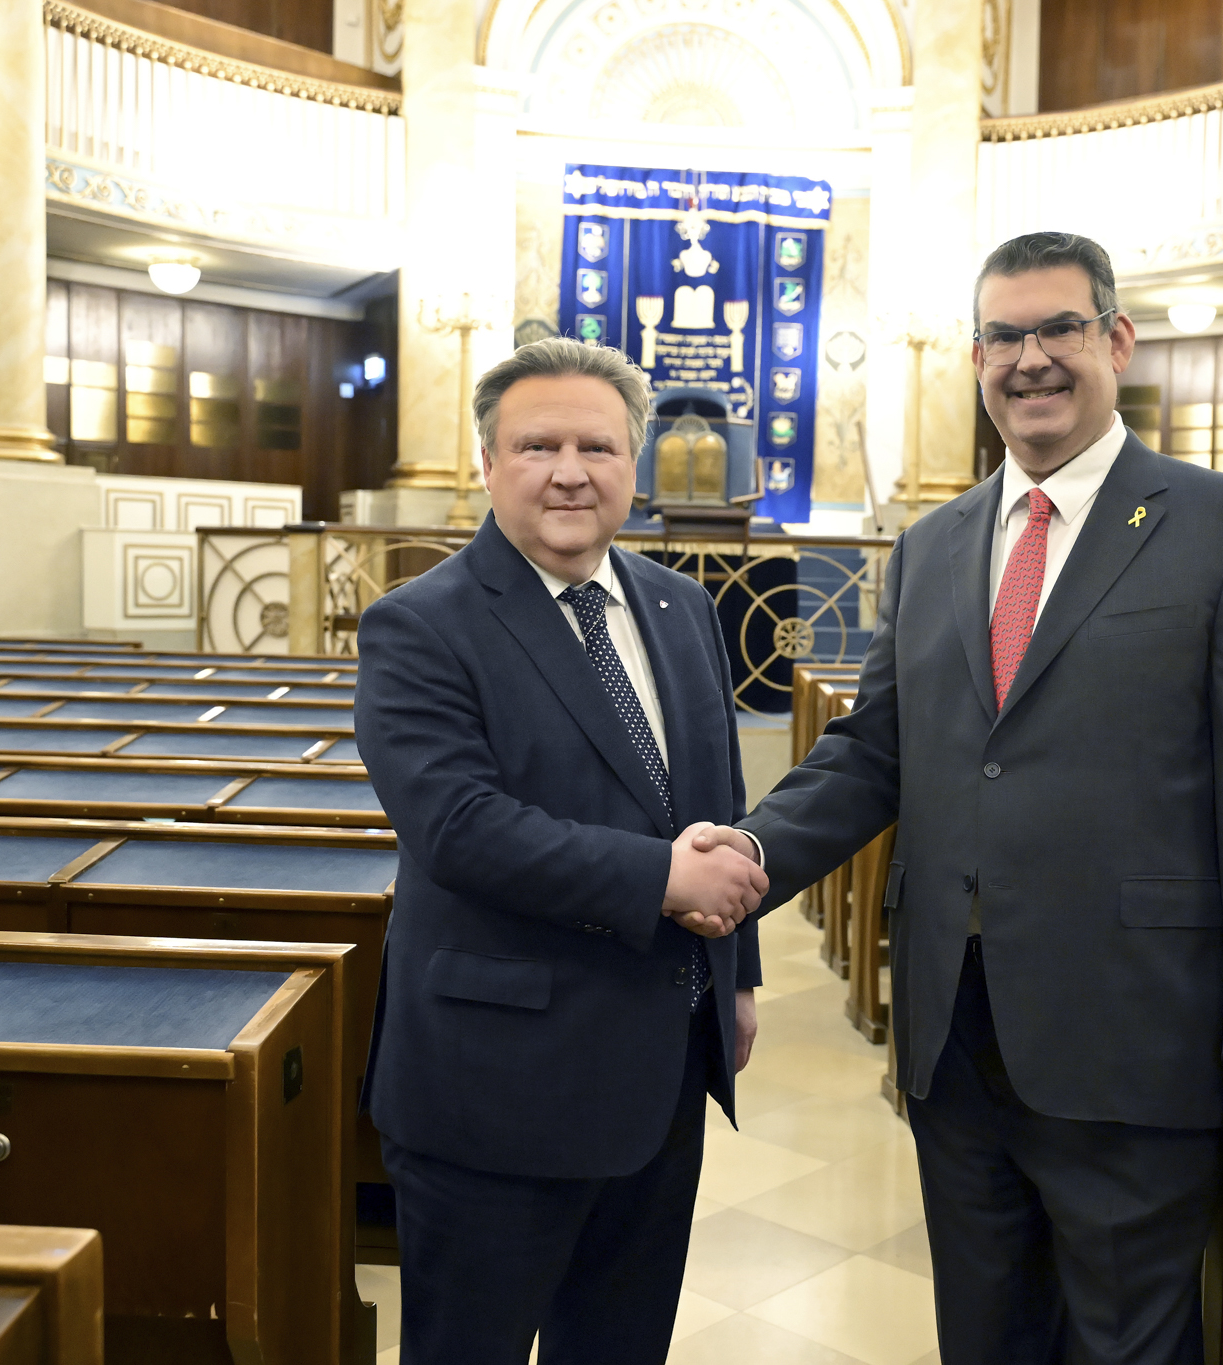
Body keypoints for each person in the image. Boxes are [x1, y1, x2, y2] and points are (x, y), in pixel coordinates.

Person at [695, 231, 1223, 1363]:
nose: (1028, 359)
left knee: (1127, 1343)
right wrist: (743, 858)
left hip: (1136, 1037)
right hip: (954, 1033)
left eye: (1057, 330)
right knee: (983, 1336)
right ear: (975, 357)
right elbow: (875, 753)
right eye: (1001, 336)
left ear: (1115, 342)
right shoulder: (937, 543)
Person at [353, 336, 770, 1365]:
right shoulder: (419, 624)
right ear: (487, 463)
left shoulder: (678, 607)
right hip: (497, 1083)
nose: (570, 471)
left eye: (597, 445)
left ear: (633, 463)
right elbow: (458, 826)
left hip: (662, 1067)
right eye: (537, 445)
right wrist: (664, 877)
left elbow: (712, 798)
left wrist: (738, 977)